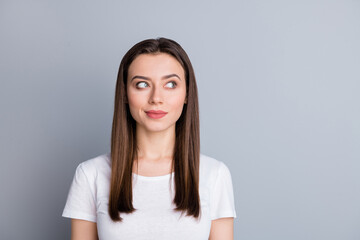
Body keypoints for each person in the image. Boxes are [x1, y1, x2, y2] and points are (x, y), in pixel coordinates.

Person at [62, 37, 237, 240]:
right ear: (125, 93)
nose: (156, 98)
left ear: (187, 93)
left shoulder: (214, 175)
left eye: (171, 84)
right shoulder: (90, 175)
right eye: (142, 84)